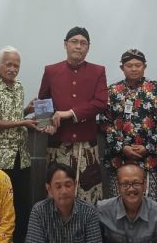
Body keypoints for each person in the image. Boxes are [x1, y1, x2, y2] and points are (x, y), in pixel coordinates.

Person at [38, 26, 108, 203]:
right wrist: (46, 125)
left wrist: (70, 113)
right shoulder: (51, 70)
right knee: (58, 195)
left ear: (88, 47)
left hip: (86, 146)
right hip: (58, 144)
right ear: (65, 44)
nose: (78, 46)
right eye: (74, 42)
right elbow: (43, 101)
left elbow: (101, 102)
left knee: (88, 196)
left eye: (83, 43)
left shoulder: (98, 71)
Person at [0, 46, 38, 243]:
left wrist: (26, 110)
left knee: (21, 206)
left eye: (16, 65)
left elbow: (12, 116)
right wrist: (23, 122)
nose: (13, 69)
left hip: (22, 156)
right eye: (9, 64)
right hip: (0, 159)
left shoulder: (19, 86)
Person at [101, 49, 157, 199]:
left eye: (138, 65)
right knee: (118, 203)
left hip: (148, 159)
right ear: (122, 67)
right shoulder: (112, 91)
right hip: (119, 158)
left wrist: (148, 147)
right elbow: (105, 122)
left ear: (144, 66)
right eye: (129, 65)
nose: (133, 69)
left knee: (149, 203)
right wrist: (122, 147)